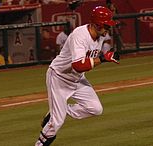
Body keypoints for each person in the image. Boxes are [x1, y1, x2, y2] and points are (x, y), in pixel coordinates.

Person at [35, 6, 120, 146]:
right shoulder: (80, 35)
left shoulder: (99, 37)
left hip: (77, 79)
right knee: (57, 122)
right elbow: (78, 65)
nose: (108, 29)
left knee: (95, 108)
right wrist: (103, 59)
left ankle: (60, 110)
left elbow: (84, 66)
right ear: (97, 24)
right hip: (59, 77)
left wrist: (103, 58)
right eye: (106, 25)